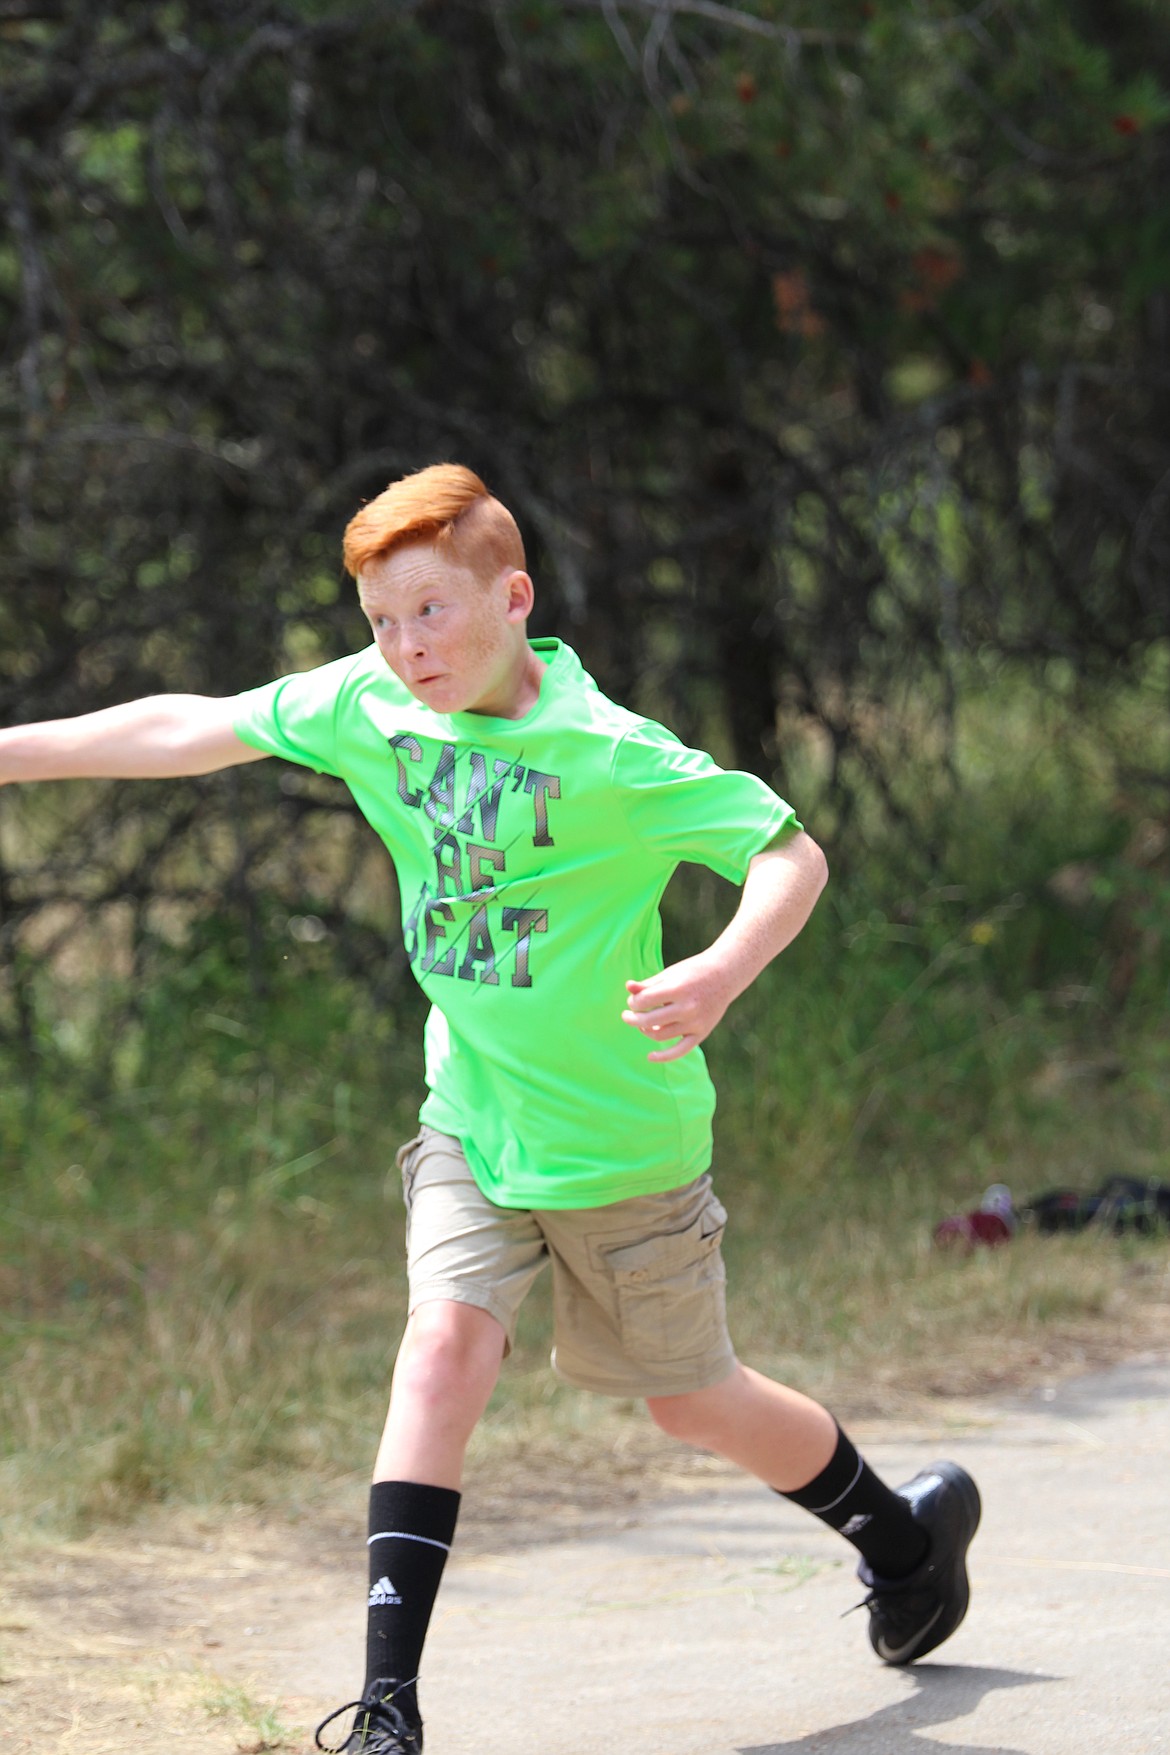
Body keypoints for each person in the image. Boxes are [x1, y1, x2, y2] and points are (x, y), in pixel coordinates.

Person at [0, 465, 980, 1754]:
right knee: (441, 1353)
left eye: (430, 613)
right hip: (471, 1121)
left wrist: (722, 972)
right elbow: (200, 727)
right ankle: (388, 1711)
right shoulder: (370, 708)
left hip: (623, 1144)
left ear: (512, 597)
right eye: (379, 622)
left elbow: (788, 850)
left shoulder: (609, 753)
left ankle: (904, 1538)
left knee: (690, 1400)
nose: (405, 649)